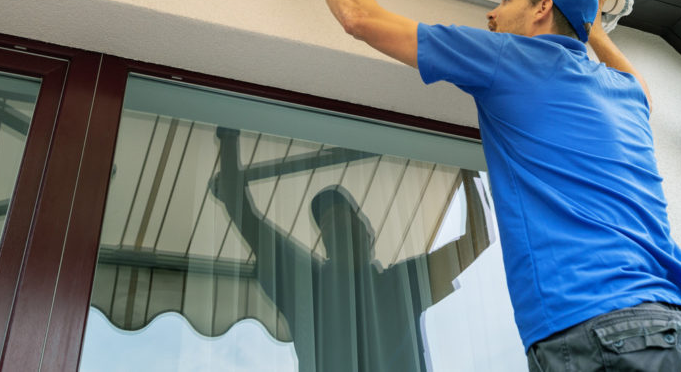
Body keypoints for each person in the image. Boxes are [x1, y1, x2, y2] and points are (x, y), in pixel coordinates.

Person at [293, 0, 681, 371]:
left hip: (603, 330)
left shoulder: (510, 59)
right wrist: (592, 28)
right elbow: (637, 81)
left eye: (505, 1)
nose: (492, 15)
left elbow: (361, 20)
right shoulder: (625, 95)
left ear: (543, 9)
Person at [210, 126, 490, 372]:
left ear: (366, 233)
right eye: (329, 225)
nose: (335, 228)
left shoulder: (399, 285)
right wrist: (229, 132)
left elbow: (477, 241)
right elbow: (240, 209)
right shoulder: (309, 286)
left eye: (342, 220)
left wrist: (466, 157)